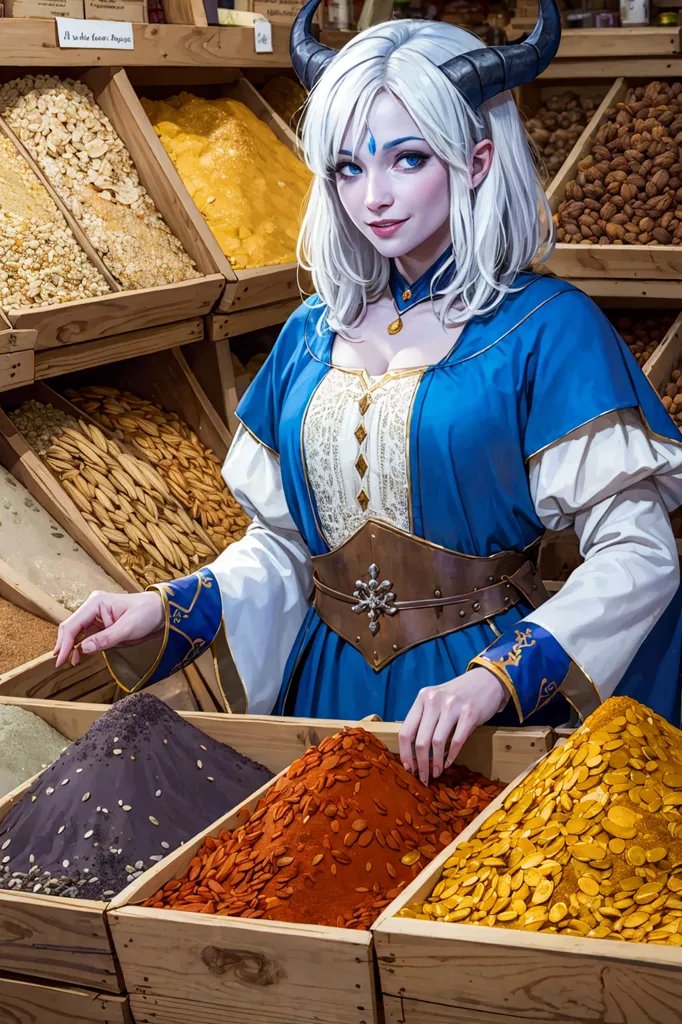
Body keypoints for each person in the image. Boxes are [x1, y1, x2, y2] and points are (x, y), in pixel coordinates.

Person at [53, 0, 682, 783]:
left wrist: (497, 678)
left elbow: (639, 553)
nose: (372, 196)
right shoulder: (311, 333)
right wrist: (172, 605)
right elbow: (289, 547)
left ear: (477, 162)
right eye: (349, 167)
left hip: (476, 703)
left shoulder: (550, 330)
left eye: (407, 159)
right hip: (322, 697)